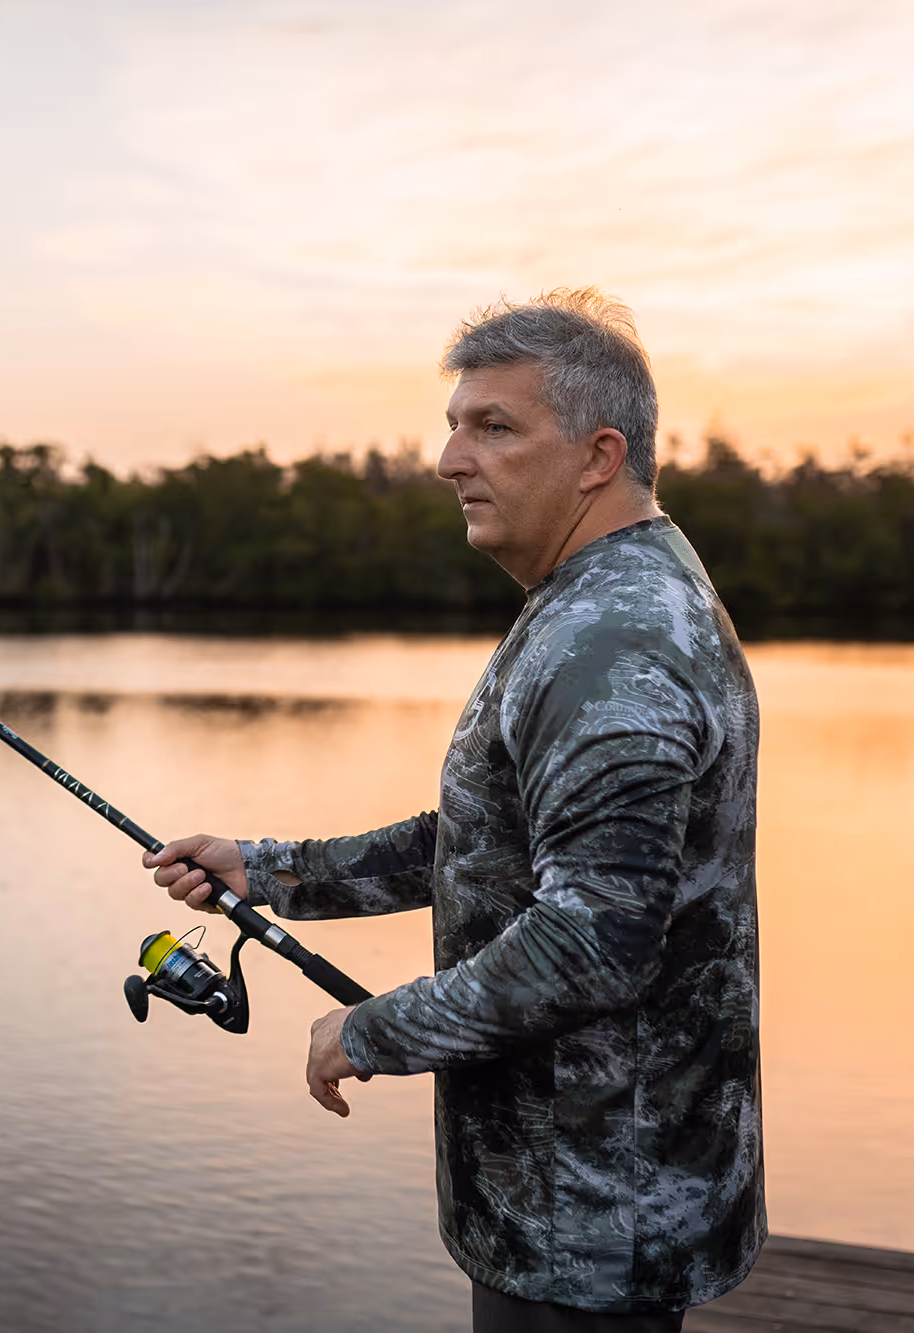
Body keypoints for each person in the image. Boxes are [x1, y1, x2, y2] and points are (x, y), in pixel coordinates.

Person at [146, 290, 762, 1332]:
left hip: (589, 1217)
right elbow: (505, 838)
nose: (448, 459)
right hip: (585, 1193)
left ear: (596, 454)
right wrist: (276, 871)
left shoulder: (610, 643)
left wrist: (371, 1030)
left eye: (492, 426)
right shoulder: (598, 600)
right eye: (452, 425)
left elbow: (590, 943)